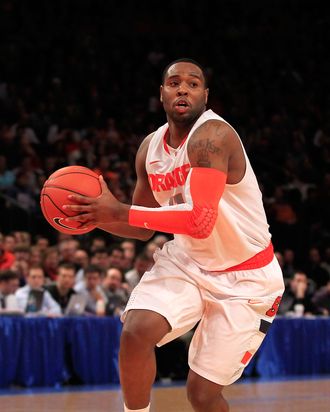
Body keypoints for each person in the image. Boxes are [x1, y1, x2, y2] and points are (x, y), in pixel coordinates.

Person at [63, 58, 285, 412]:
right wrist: (91, 217)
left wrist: (118, 210)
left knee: (201, 395)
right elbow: (139, 226)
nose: (183, 88)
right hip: (188, 260)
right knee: (136, 331)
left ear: (205, 95)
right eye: (175, 83)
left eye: (193, 84)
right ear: (162, 94)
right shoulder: (149, 149)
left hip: (247, 278)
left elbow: (200, 221)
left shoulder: (213, 137)